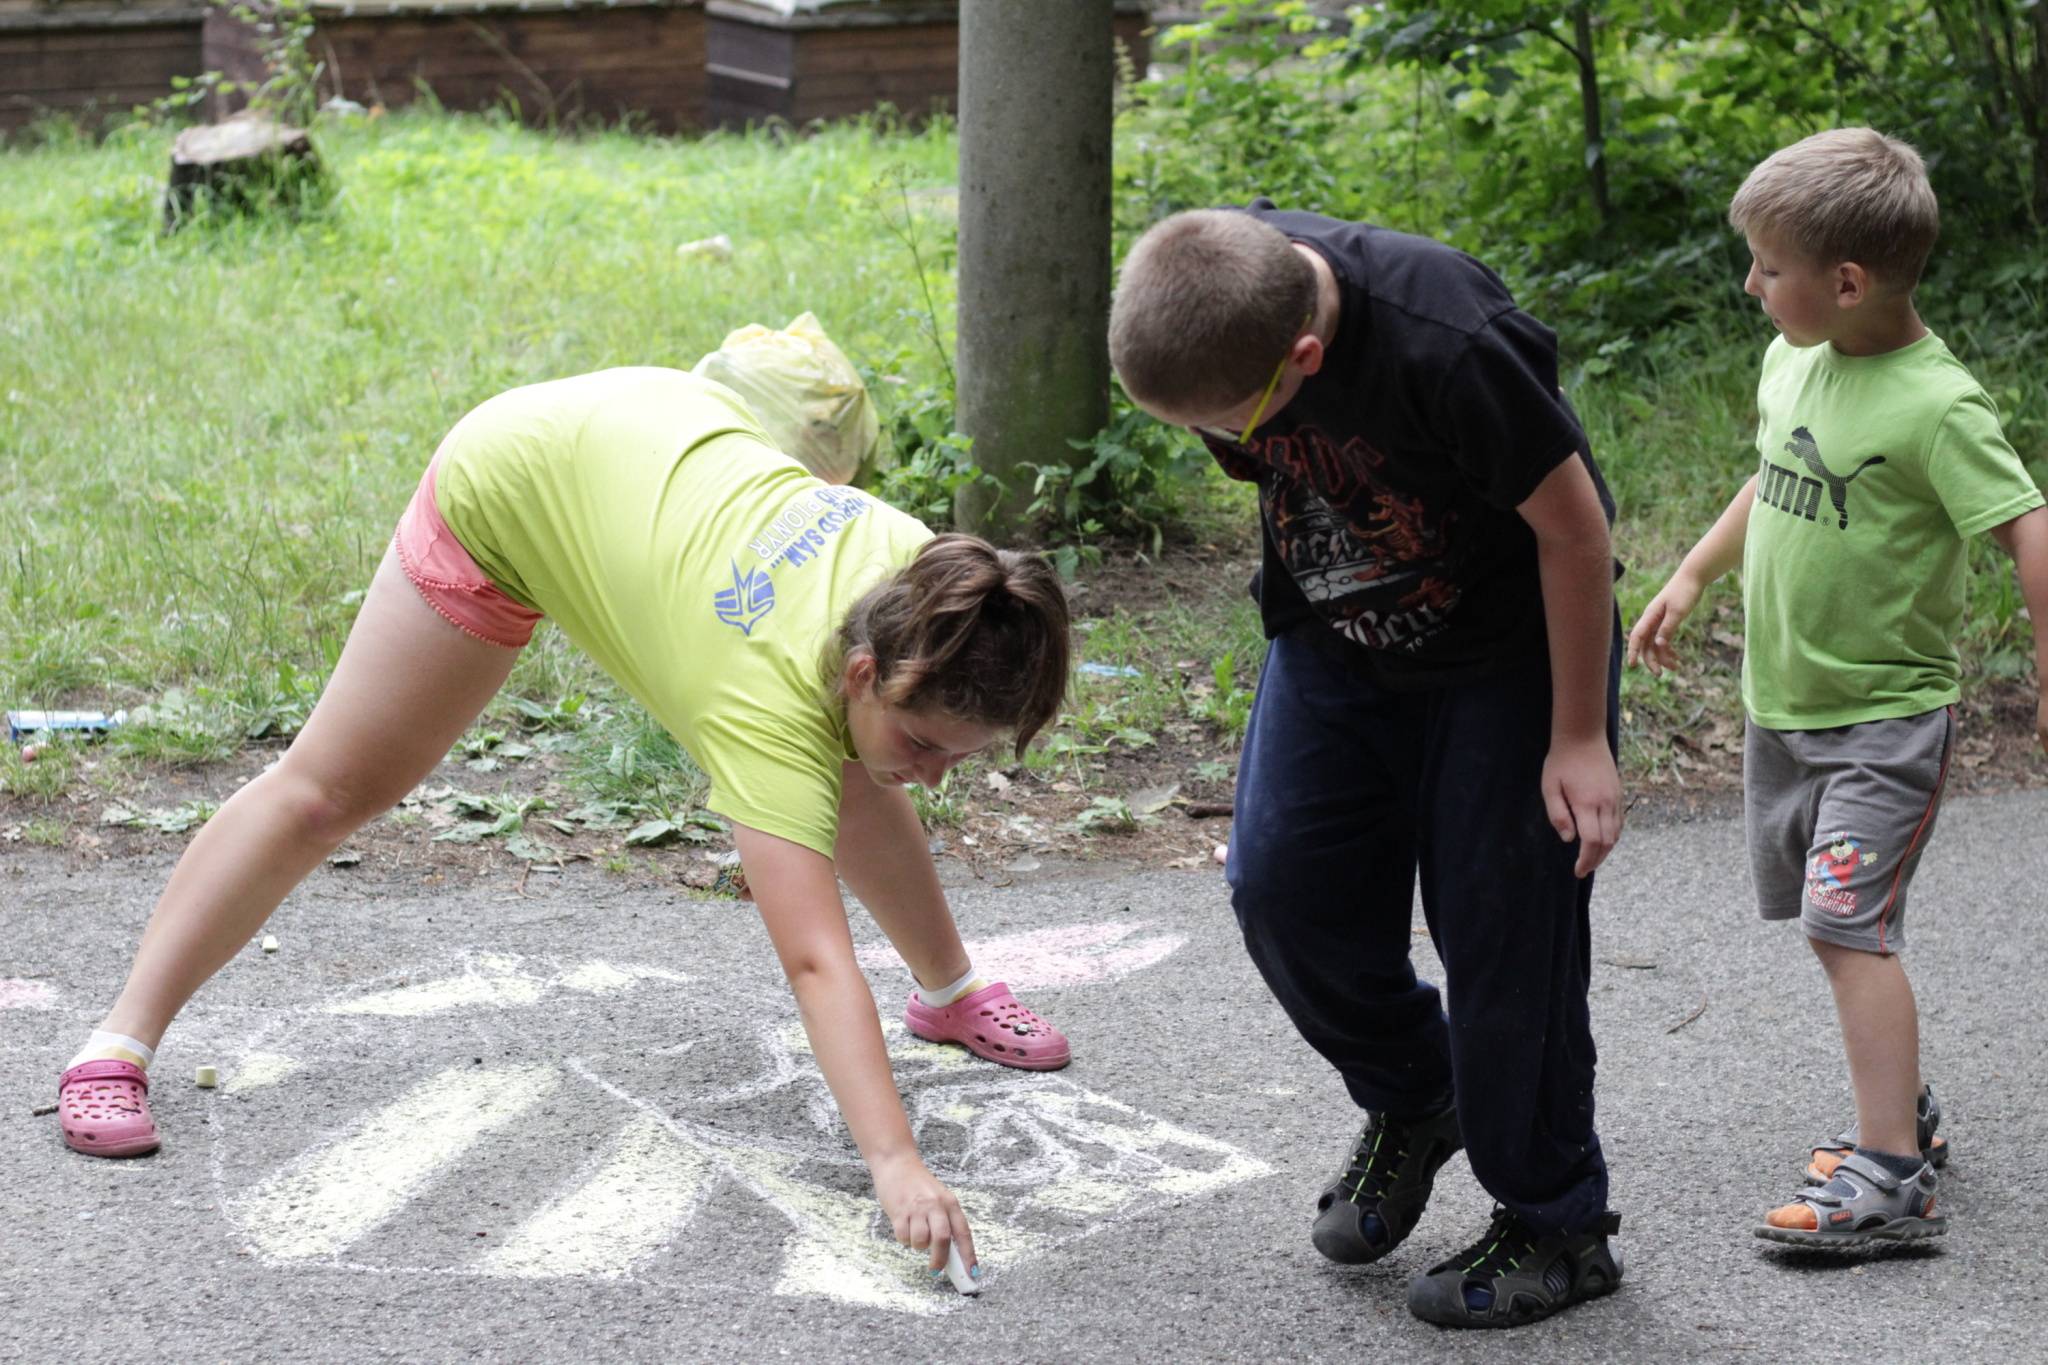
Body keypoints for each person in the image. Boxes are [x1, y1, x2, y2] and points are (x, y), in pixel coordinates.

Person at [53, 365, 1077, 1278]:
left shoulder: (931, 582)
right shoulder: (759, 701)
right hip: (519, 476)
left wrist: (903, 744)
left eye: (960, 756)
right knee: (331, 790)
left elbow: (871, 751)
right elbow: (815, 961)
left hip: (654, 430)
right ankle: (114, 1046)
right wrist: (894, 1162)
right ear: (862, 666)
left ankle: (949, 993)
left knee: (858, 764)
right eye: (928, 744)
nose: (934, 777)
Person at [1110, 203, 1625, 1328]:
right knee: (1280, 886)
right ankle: (1420, 1094)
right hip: (1337, 635)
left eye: (1219, 423)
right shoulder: (1217, 296)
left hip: (1508, 654)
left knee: (1504, 931)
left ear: (1303, 356)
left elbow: (1575, 531)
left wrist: (1578, 735)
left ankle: (1557, 1221)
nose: (1210, 441)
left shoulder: (1449, 341)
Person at [1628, 127, 2048, 1247]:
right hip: (1785, 709)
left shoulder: (1935, 404)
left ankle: (1890, 1176)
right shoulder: (1795, 359)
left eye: (1769, 268)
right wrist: (1692, 572)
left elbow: (2029, 528)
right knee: (1831, 925)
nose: (1750, 284)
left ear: (1847, 283)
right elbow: (1772, 474)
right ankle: (1899, 1107)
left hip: (1885, 721)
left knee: (1845, 925)